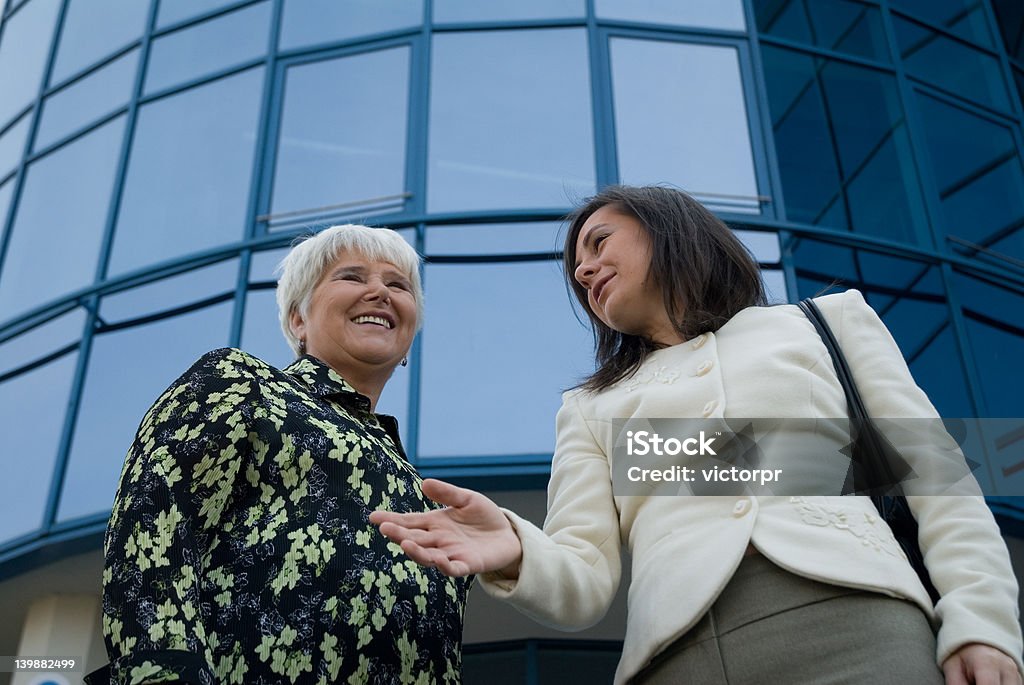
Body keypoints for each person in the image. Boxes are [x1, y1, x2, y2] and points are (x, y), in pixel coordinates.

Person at [370, 186, 1023, 685]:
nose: (584, 270)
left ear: (668, 226)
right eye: (577, 266)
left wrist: (983, 623)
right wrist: (515, 546)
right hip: (678, 660)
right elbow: (586, 579)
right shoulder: (590, 408)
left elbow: (937, 480)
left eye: (599, 242)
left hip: (857, 630)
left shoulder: (827, 323)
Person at [87, 225, 469, 685]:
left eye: (397, 285)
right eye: (352, 277)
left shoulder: (420, 493)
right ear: (298, 320)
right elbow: (153, 539)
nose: (379, 293)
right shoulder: (243, 385)